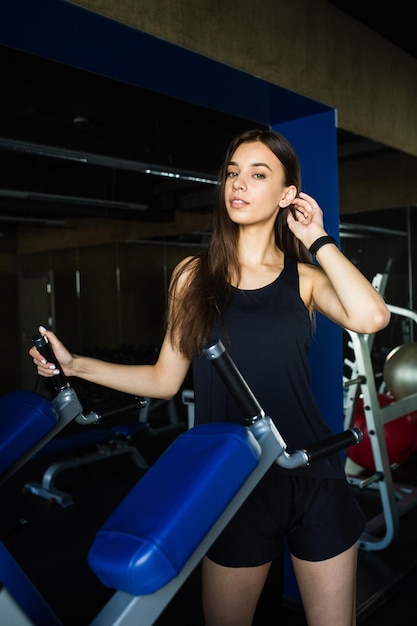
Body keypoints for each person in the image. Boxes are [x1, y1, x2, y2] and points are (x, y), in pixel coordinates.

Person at [29, 128, 391, 626]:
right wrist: (75, 366)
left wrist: (318, 239)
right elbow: (164, 380)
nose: (239, 184)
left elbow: (372, 318)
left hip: (312, 472)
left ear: (288, 195)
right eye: (232, 173)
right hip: (232, 480)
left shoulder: (305, 279)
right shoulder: (192, 277)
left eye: (258, 174)